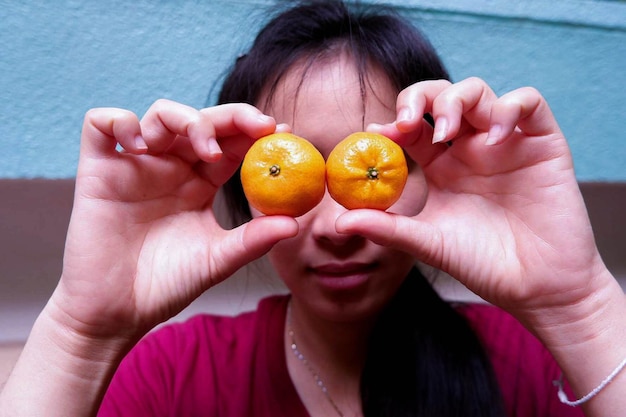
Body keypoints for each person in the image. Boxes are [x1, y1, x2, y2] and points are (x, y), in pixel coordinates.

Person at [1, 1, 624, 416]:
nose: (335, 228)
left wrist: (581, 307)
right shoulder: (173, 378)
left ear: (435, 170)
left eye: (375, 165)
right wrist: (84, 331)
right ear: (244, 186)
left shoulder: (535, 366)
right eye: (299, 168)